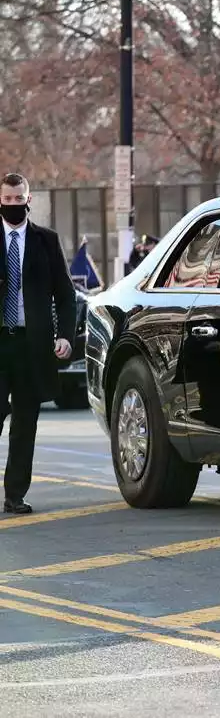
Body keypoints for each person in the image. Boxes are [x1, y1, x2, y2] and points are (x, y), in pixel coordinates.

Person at [0, 173, 76, 514]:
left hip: (32, 345)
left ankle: (15, 494)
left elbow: (65, 294)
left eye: (19, 199)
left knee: (25, 422)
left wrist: (65, 336)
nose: (14, 205)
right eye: (8, 199)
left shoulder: (46, 240)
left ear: (28, 200)